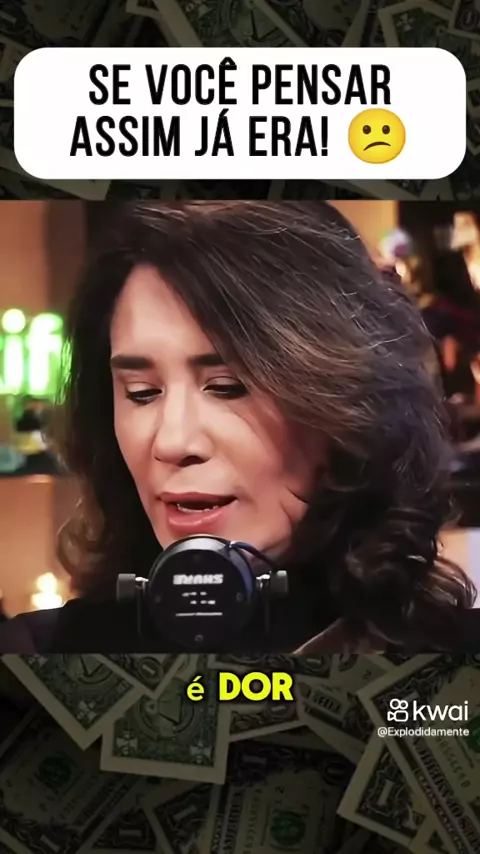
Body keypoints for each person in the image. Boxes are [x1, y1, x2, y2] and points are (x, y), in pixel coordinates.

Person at [0, 200, 479, 654]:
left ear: (349, 403)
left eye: (228, 387)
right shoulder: (34, 659)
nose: (173, 441)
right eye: (141, 393)